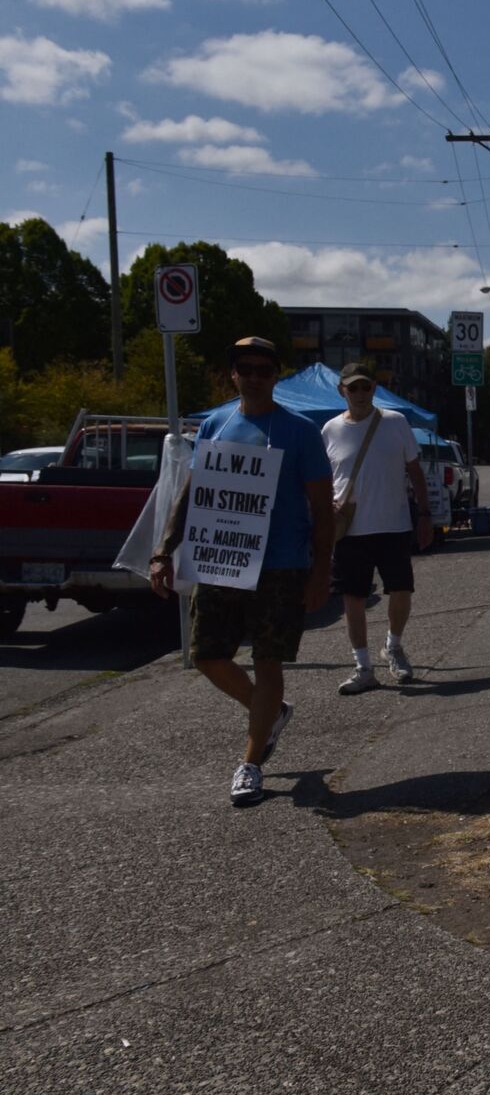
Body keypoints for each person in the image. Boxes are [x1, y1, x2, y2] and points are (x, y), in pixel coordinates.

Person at [148, 337, 334, 806]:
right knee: (207, 655)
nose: (254, 376)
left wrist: (320, 571)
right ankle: (269, 711)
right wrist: (163, 550)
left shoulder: (299, 431)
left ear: (275, 376)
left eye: (264, 369)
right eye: (245, 368)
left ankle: (250, 764)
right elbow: (190, 493)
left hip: (281, 566)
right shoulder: (216, 422)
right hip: (222, 560)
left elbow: (322, 507)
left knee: (267, 660)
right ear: (232, 373)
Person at [322, 367, 434, 696]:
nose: (359, 393)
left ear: (374, 388)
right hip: (350, 529)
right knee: (353, 598)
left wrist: (425, 515)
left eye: (365, 387)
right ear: (341, 390)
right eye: (352, 388)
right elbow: (323, 479)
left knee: (402, 590)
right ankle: (363, 667)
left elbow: (415, 471)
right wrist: (326, 506)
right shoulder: (330, 430)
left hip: (394, 524)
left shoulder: (395, 422)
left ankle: (393, 646)